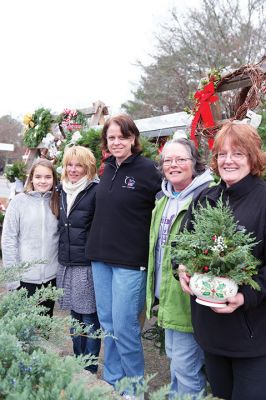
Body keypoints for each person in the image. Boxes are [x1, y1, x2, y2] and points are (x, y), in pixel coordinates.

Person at [179, 122, 266, 400]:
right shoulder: (206, 198)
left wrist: (246, 295)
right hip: (211, 333)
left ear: (253, 157)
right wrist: (180, 269)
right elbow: (181, 247)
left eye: (238, 153)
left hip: (252, 336)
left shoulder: (263, 200)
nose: (228, 160)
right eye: (221, 154)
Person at [86, 114, 162, 396]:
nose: (116, 142)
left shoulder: (147, 171)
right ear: (106, 141)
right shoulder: (107, 168)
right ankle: (112, 380)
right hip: (100, 258)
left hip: (130, 262)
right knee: (107, 323)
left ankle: (133, 387)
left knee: (125, 327)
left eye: (122, 137)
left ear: (133, 139)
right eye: (111, 138)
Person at [146, 138, 212, 398]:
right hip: (168, 297)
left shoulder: (206, 196)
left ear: (194, 163)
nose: (173, 165)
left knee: (186, 368)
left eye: (180, 159)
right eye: (167, 160)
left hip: (188, 300)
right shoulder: (163, 199)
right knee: (176, 362)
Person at [56, 145, 101, 374]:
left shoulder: (95, 190)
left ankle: (90, 367)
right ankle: (78, 361)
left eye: (79, 165)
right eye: (69, 165)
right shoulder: (62, 189)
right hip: (67, 262)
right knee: (74, 316)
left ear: (88, 167)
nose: (73, 170)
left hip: (86, 264)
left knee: (90, 317)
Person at [1, 159, 59, 317]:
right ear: (31, 178)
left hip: (50, 280)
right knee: (24, 333)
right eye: (38, 176)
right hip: (24, 280)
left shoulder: (58, 201)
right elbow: (8, 241)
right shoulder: (19, 202)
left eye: (48, 177)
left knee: (44, 330)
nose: (43, 181)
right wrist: (13, 279)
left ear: (54, 178)